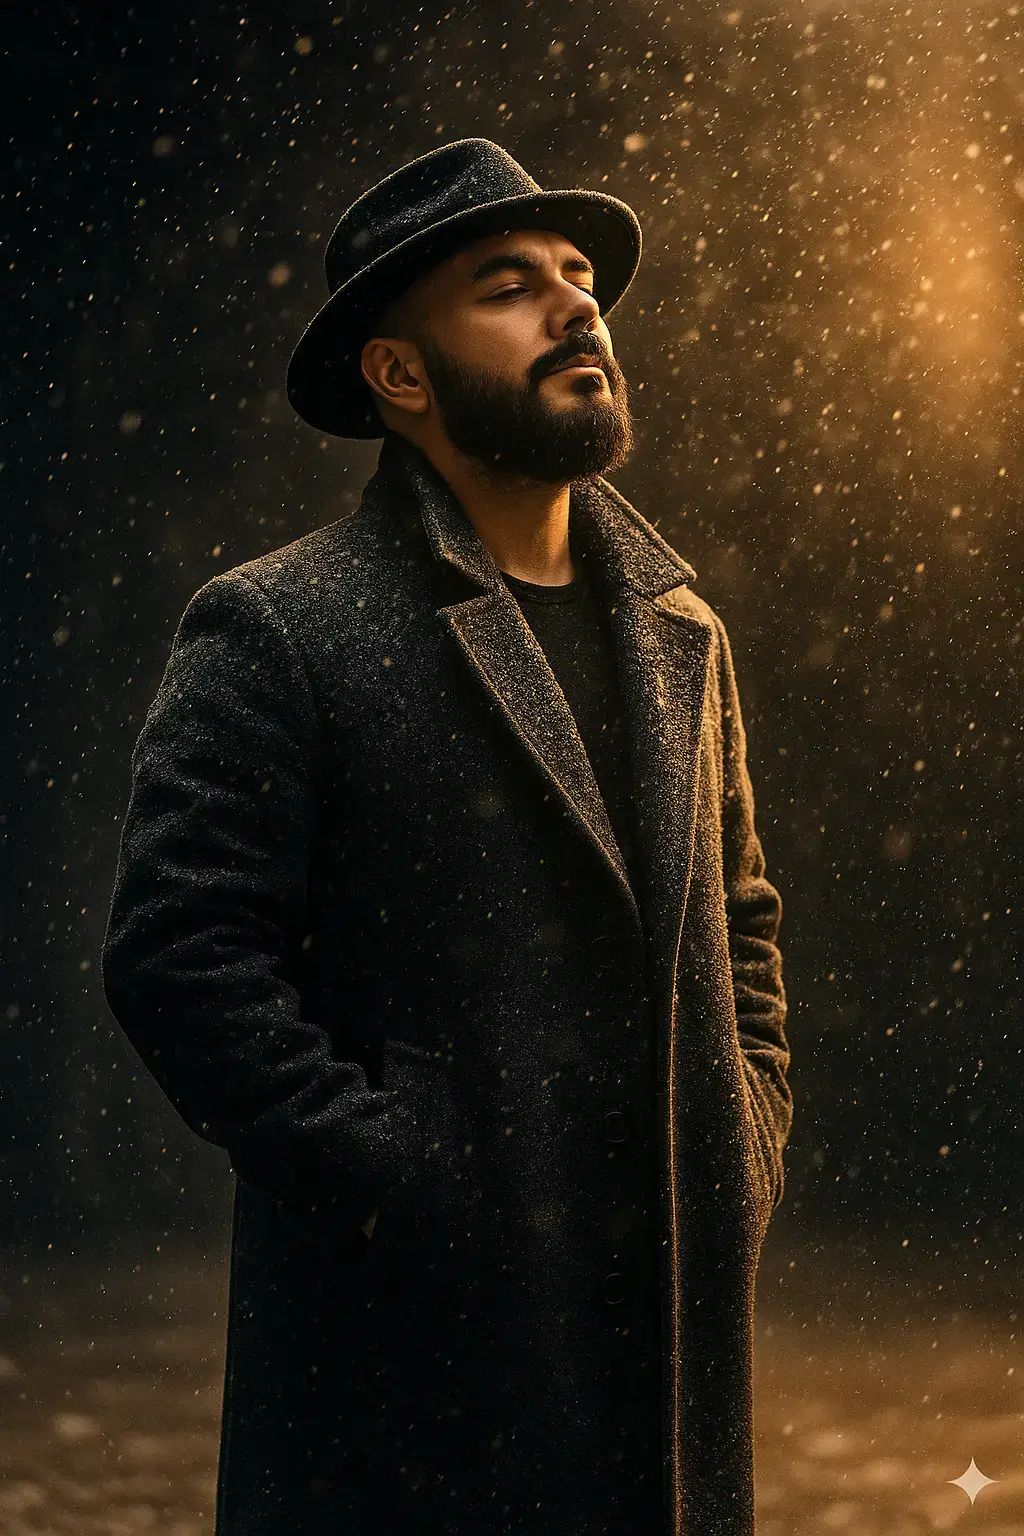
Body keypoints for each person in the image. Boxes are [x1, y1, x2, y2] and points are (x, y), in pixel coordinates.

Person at [101, 137, 792, 1536]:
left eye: (581, 280)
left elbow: (747, 921)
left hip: (666, 1349)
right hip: (412, 1377)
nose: (576, 306)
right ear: (399, 374)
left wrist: (747, 1136)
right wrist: (396, 1187)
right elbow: (180, 956)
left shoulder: (684, 636)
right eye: (509, 285)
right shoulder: (282, 627)